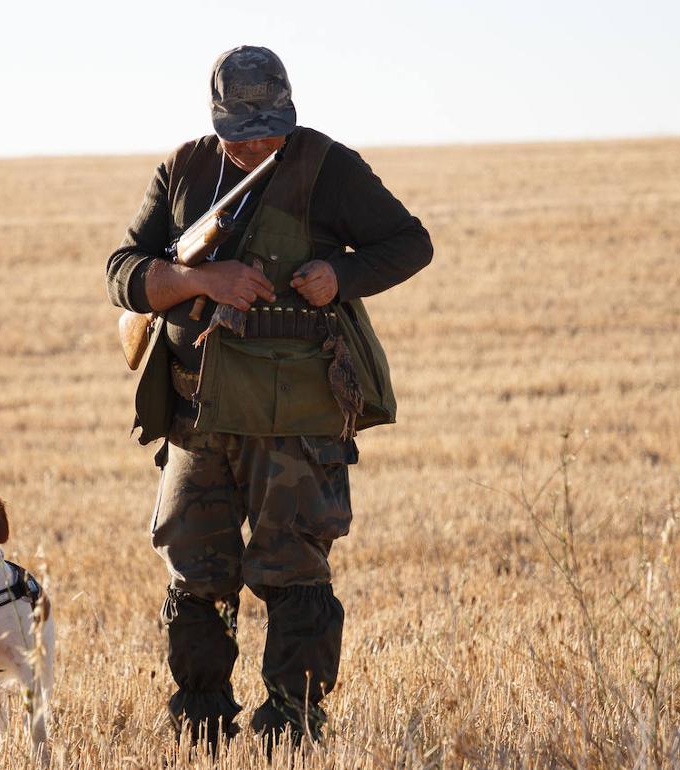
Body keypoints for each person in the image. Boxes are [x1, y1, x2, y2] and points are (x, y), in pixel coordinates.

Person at [105, 45, 433, 752]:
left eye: (270, 124)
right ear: (215, 119)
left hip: (298, 422)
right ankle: (200, 731)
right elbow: (123, 273)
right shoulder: (185, 168)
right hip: (200, 417)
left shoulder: (327, 165)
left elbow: (410, 243)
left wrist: (340, 275)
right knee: (196, 583)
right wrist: (203, 281)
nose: (257, 138)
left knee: (296, 580)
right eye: (241, 126)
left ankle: (293, 734)